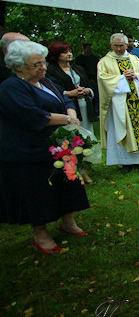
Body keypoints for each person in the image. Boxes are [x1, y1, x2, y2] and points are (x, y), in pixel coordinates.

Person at [0, 41, 90, 254]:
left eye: (43, 63)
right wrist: (64, 120)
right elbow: (30, 116)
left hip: (59, 146)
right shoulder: (11, 87)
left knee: (66, 184)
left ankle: (68, 222)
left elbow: (64, 100)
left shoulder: (47, 82)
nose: (43, 68)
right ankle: (41, 235)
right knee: (38, 192)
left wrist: (72, 115)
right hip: (30, 151)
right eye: (36, 65)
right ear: (19, 66)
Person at [98, 33, 139, 174]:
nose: (119, 49)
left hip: (138, 101)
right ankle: (125, 162)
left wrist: (136, 75)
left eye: (122, 45)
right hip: (120, 103)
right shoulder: (104, 62)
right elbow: (103, 80)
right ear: (111, 45)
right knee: (122, 127)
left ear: (127, 45)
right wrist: (121, 78)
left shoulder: (134, 59)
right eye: (116, 46)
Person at [45, 41, 97, 185]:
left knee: (86, 135)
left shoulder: (78, 69)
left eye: (70, 51)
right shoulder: (51, 71)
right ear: (56, 55)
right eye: (64, 52)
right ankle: (78, 172)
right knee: (73, 139)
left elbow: (89, 85)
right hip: (68, 108)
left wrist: (87, 91)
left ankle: (85, 165)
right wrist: (68, 93)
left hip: (84, 106)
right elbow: (53, 90)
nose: (69, 54)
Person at [74, 42, 100, 114]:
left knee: (96, 97)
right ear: (83, 48)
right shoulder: (78, 59)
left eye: (91, 49)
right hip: (84, 81)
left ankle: (96, 112)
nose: (90, 50)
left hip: (95, 80)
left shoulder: (95, 58)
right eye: (88, 49)